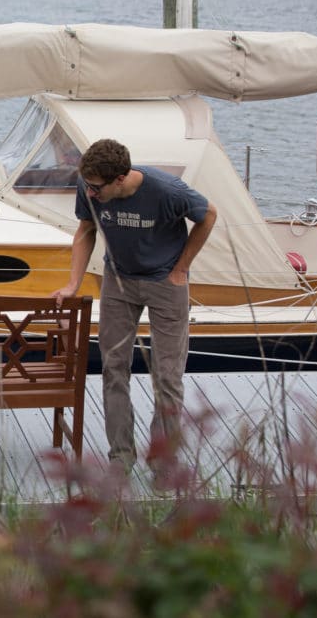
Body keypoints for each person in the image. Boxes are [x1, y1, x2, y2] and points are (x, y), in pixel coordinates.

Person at [50, 138, 217, 480]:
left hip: (165, 284)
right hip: (119, 282)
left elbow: (208, 215)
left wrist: (182, 268)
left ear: (121, 179)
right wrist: (73, 283)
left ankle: (162, 462)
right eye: (88, 185)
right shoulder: (90, 186)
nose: (91, 193)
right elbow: (86, 229)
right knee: (113, 368)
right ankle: (121, 458)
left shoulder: (167, 191)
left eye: (97, 187)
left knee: (167, 377)